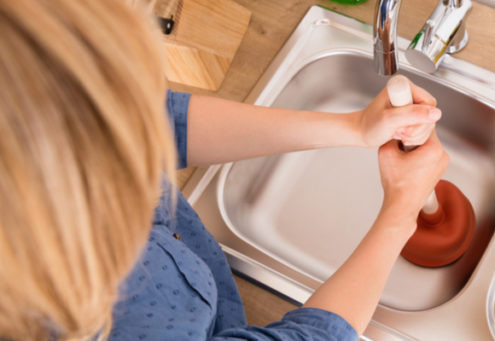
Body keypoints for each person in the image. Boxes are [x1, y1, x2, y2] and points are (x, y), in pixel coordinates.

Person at [0, 0, 448, 340]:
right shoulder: (86, 312)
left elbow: (155, 122)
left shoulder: (36, 92)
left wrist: (353, 128)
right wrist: (400, 214)